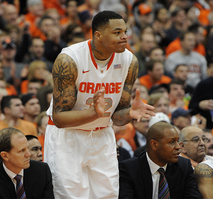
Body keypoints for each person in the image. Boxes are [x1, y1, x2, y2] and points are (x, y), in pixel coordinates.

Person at [45, 11, 155, 199]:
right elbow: (60, 118)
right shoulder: (69, 59)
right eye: (117, 32)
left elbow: (117, 116)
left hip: (102, 135)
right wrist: (93, 114)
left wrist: (130, 112)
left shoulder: (129, 62)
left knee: (108, 195)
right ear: (98, 35)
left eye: (125, 31)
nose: (124, 37)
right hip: (67, 138)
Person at [119, 122, 202, 198]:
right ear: (154, 144)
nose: (178, 147)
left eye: (178, 141)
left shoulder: (184, 166)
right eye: (172, 142)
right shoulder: (129, 169)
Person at [0, 127, 54, 198]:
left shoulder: (42, 170)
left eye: (27, 148)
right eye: (22, 150)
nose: (28, 154)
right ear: (5, 156)